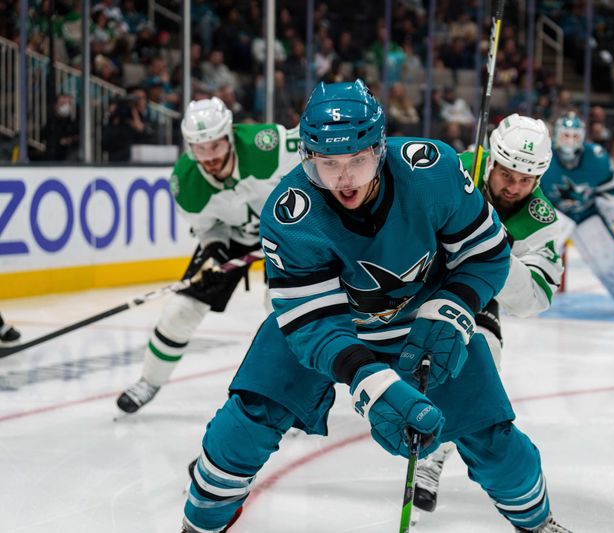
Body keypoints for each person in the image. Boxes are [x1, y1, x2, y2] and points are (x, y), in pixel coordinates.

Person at [180, 80, 570, 533]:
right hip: (330, 330)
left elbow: (485, 254)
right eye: (328, 163)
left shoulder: (432, 170)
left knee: (492, 435)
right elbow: (314, 325)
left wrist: (454, 306)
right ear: (308, 157)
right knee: (246, 418)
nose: (343, 178)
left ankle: (537, 523)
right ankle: (201, 522)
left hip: (421, 320)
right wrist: (370, 379)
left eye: (357, 161)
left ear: (380, 150)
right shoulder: (291, 213)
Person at [413, 113, 564, 517]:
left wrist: (493, 249)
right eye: (507, 175)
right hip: (415, 280)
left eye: (526, 180)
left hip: (476, 295)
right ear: (492, 161)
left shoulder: (541, 221)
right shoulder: (451, 168)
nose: (514, 188)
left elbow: (535, 296)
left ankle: (431, 457)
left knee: (479, 360)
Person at [115, 97, 300, 414]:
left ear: (228, 136)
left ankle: (291, 395)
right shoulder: (185, 182)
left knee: (283, 311)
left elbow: (314, 151)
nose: (209, 157)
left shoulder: (264, 145)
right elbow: (208, 228)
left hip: (287, 231)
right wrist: (214, 249)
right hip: (234, 239)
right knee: (180, 311)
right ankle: (149, 381)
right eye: (200, 149)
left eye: (215, 146)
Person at [540, 112, 614, 314]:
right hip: (551, 214)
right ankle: (525, 299)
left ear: (582, 138)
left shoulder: (597, 157)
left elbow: (611, 193)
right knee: (539, 255)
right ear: (555, 136)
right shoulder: (543, 156)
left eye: (575, 136)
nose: (570, 142)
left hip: (586, 214)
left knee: (606, 256)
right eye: (566, 136)